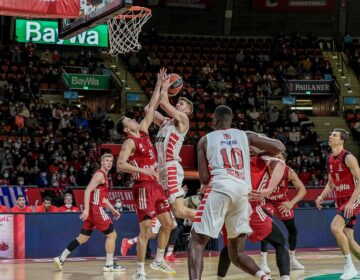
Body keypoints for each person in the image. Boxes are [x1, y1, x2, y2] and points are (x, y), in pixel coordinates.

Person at [189, 105, 285, 280]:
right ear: (231, 121)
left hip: (220, 188)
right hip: (242, 193)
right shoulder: (245, 135)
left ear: (214, 121)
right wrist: (258, 152)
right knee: (236, 253)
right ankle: (265, 278)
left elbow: (204, 178)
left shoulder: (205, 140)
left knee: (196, 242)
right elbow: (279, 147)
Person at [116, 69, 176, 280]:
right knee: (146, 231)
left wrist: (159, 84)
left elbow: (151, 108)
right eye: (129, 121)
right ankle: (140, 271)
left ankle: (159, 260)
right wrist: (142, 169)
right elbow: (120, 164)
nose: (133, 120)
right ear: (125, 129)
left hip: (156, 185)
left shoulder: (142, 131)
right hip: (142, 187)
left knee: (168, 224)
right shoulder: (129, 142)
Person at [217, 153, 290, 280]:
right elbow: (280, 164)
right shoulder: (263, 160)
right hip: (250, 209)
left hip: (229, 209)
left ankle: (220, 278)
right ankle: (283, 277)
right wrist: (269, 190)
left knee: (230, 248)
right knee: (281, 241)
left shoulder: (231, 161)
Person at [53, 154, 125, 272]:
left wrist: (113, 210)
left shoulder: (105, 177)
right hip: (96, 210)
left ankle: (61, 258)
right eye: (106, 160)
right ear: (101, 162)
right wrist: (86, 210)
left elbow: (104, 198)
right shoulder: (99, 175)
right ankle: (109, 264)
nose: (109, 163)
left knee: (82, 238)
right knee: (112, 235)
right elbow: (87, 191)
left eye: (111, 161)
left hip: (93, 211)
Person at [149, 77, 196, 220]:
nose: (178, 105)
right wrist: (158, 87)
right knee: (165, 217)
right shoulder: (165, 122)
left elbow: (163, 103)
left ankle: (213, 220)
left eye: (181, 104)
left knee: (179, 211)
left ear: (187, 111)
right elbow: (148, 110)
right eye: (178, 102)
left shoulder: (184, 120)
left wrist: (165, 87)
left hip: (170, 167)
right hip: (160, 169)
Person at [316, 129, 360, 280]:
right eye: (330, 135)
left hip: (352, 199)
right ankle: (352, 267)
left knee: (335, 228)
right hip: (341, 200)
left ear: (341, 141)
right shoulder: (329, 159)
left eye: (334, 135)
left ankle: (349, 267)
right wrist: (321, 196)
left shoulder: (348, 158)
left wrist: (352, 201)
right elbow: (331, 183)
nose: (330, 136)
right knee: (348, 237)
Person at [260, 152, 306, 273]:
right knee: (266, 226)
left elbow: (302, 190)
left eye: (279, 158)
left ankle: (292, 259)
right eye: (274, 157)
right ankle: (263, 262)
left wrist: (291, 203)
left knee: (293, 230)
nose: (276, 160)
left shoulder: (288, 171)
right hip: (267, 200)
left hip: (281, 201)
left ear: (284, 160)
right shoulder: (265, 168)